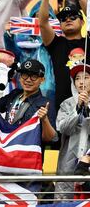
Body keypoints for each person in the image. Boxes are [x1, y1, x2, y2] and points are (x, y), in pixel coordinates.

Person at [39, 0, 87, 110]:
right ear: (59, 24)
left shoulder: (88, 42)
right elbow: (43, 23)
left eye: (73, 16)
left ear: (82, 22)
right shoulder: (56, 43)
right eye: (63, 18)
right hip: (64, 108)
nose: (68, 19)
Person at [0, 59, 56, 142]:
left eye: (33, 76)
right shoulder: (15, 94)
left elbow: (50, 139)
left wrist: (45, 120)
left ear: (42, 80)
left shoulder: (46, 104)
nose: (28, 80)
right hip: (6, 148)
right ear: (19, 77)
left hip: (26, 151)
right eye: (24, 75)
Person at [4, 0, 56, 107]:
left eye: (45, 17)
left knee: (48, 115)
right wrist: (9, 35)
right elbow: (14, 54)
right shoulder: (23, 38)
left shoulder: (58, 40)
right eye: (37, 16)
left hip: (50, 86)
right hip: (26, 84)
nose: (40, 20)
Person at [55, 64, 90, 200]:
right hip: (68, 162)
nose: (81, 82)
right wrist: (78, 109)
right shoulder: (66, 104)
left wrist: (87, 108)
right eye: (77, 78)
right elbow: (63, 128)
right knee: (65, 200)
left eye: (86, 77)